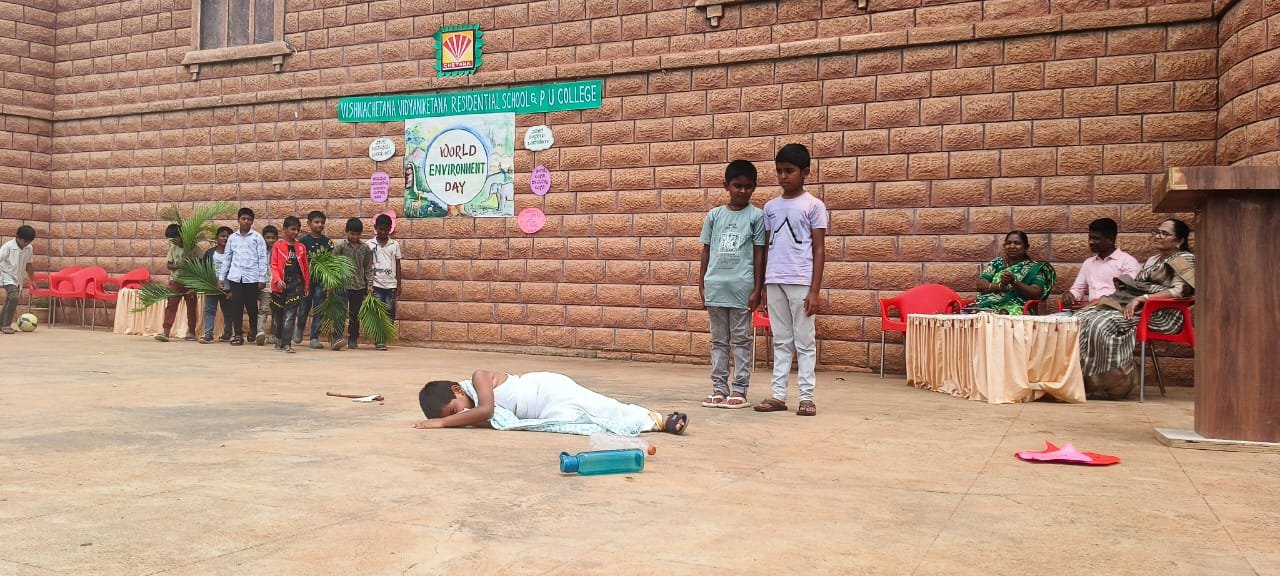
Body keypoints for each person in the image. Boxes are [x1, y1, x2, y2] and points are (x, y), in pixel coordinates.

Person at [1076, 219, 1195, 400]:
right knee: (1083, 318)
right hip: (1140, 308)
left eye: (1164, 234)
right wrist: (1110, 300)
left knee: (1101, 323)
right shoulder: (1153, 260)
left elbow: (1181, 291)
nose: (1158, 236)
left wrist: (1143, 298)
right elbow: (1137, 286)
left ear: (1180, 240)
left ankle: (1116, 384)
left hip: (1162, 313)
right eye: (1157, 232)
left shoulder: (1184, 258)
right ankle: (1085, 382)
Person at [754, 144, 826, 417]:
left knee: (804, 341)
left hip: (801, 281)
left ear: (805, 172)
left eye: (789, 171)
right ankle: (778, 395)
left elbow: (819, 249)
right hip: (774, 280)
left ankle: (806, 397)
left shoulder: (813, 206)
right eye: (779, 171)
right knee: (781, 340)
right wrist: (763, 285)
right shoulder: (770, 207)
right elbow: (766, 248)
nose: (783, 176)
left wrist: (814, 291)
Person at [414, 370, 689, 436]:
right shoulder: (471, 413)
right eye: (454, 415)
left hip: (546, 391)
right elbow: (493, 420)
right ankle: (646, 425)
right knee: (586, 422)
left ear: (457, 389)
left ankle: (661, 419)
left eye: (455, 409)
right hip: (545, 411)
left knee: (601, 406)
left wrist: (443, 423)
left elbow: (487, 410)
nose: (462, 413)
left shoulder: (479, 378)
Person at [699, 160, 765, 409]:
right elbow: (706, 251)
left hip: (741, 289)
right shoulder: (714, 216)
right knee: (718, 341)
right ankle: (718, 388)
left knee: (741, 340)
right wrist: (702, 283)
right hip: (716, 286)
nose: (743, 191)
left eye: (748, 187)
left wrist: (757, 289)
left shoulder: (757, 217)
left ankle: (739, 389)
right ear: (726, 185)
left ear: (754, 187)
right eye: (737, 186)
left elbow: (759, 254)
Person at [1061, 218, 1141, 311]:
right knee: (1053, 318)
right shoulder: (1088, 263)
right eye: (1090, 237)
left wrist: (1095, 303)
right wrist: (1070, 295)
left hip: (1115, 311)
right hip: (1088, 311)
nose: (1090, 242)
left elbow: (1127, 295)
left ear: (1110, 239)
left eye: (1096, 238)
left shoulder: (1127, 262)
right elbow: (1078, 290)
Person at [218, 207, 268, 346]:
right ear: (238, 220)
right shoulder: (232, 238)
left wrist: (262, 278)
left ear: (252, 221)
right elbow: (227, 258)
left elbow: (262, 258)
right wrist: (221, 277)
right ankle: (238, 335)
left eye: (249, 219)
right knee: (237, 305)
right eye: (243, 219)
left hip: (252, 277)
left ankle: (253, 329)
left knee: (251, 305)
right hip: (235, 277)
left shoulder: (257, 237)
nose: (246, 221)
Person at [972, 231, 1056, 315]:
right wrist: (1000, 286)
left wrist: (1014, 282)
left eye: (1017, 243)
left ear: (1026, 247)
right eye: (1008, 243)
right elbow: (980, 285)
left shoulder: (1034, 269)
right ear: (1004, 246)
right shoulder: (996, 263)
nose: (1012, 246)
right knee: (975, 312)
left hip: (1019, 305)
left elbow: (1036, 293)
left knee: (1003, 313)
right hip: (988, 302)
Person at [270, 216, 311, 354]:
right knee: (279, 314)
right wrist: (277, 279)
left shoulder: (301, 247)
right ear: (285, 229)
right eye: (293, 229)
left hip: (296, 284)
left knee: (290, 315)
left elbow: (305, 268)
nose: (296, 232)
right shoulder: (278, 246)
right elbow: (274, 265)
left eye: (298, 229)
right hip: (280, 285)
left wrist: (306, 285)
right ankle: (279, 339)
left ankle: (286, 344)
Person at [332, 218, 373, 350]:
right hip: (342, 285)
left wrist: (370, 284)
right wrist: (332, 283)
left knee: (355, 314)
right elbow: (333, 265)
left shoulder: (365, 248)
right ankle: (337, 338)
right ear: (346, 232)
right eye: (352, 234)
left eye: (357, 234)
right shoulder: (340, 247)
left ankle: (353, 338)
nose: (355, 237)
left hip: (359, 286)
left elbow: (368, 267)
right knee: (340, 313)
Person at [155, 223, 198, 342]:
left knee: (191, 308)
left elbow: (201, 265)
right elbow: (169, 265)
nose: (173, 242)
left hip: (190, 283)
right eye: (171, 240)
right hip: (176, 281)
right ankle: (166, 331)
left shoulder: (194, 248)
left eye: (175, 239)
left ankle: (191, 332)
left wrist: (195, 285)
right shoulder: (173, 249)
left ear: (181, 235)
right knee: (171, 306)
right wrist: (179, 265)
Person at [298, 210, 333, 349]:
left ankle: (314, 337)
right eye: (316, 222)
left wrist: (329, 281)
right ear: (309, 223)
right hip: (306, 282)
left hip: (321, 281)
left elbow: (331, 262)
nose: (320, 225)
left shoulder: (327, 242)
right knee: (303, 308)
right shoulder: (303, 242)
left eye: (322, 222)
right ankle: (299, 328)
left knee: (319, 309)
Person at [366, 214, 401, 351]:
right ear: (375, 228)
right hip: (376, 284)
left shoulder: (394, 244)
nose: (383, 232)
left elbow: (398, 264)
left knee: (390, 311)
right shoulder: (369, 244)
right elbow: (366, 265)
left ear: (390, 229)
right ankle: (379, 340)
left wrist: (399, 284)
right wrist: (368, 284)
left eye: (386, 230)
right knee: (377, 312)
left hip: (390, 284)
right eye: (380, 229)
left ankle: (385, 335)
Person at [198, 226, 234, 344]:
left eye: (228, 236)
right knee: (209, 310)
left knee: (228, 312)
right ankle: (208, 334)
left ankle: (227, 333)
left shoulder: (234, 254)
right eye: (223, 236)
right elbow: (203, 269)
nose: (225, 238)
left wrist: (233, 290)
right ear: (217, 238)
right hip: (212, 287)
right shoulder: (210, 253)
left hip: (227, 288)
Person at [0, 225, 36, 334]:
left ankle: (1, 324)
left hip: (17, 278)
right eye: (25, 241)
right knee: (14, 297)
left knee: (10, 299)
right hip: (6, 275)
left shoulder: (29, 248)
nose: (26, 243)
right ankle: (6, 326)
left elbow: (28, 264)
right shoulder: (8, 247)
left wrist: (33, 280)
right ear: (18, 237)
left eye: (29, 241)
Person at [259, 225, 279, 345]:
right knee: (264, 309)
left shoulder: (279, 251)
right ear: (263, 238)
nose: (270, 240)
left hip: (277, 285)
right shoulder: (259, 251)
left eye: (273, 238)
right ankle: (260, 332)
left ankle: (273, 335)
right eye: (267, 237)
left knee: (277, 311)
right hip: (265, 285)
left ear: (277, 238)